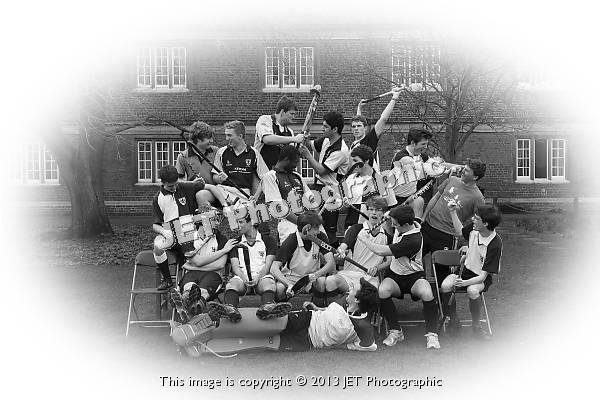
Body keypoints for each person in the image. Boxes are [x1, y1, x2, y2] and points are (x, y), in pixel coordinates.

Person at [171, 277, 380, 355]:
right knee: (254, 326)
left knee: (254, 341)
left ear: (358, 300)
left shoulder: (362, 326)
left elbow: (369, 346)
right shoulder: (348, 307)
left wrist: (344, 345)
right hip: (306, 325)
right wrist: (318, 309)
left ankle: (199, 343)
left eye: (354, 290)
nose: (349, 289)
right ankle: (195, 328)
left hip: (306, 338)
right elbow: (337, 316)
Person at [357, 205, 441, 350]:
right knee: (382, 291)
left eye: (395, 224)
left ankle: (432, 334)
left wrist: (364, 240)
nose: (393, 226)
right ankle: (395, 330)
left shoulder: (413, 240)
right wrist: (390, 214)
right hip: (395, 275)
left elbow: (381, 251)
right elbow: (395, 218)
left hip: (414, 276)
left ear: (406, 225)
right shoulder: (405, 224)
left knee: (427, 293)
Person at [205, 214, 292, 322]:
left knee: (269, 284)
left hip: (262, 276)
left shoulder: (269, 241)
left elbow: (268, 265)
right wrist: (244, 278)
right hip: (242, 277)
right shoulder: (235, 243)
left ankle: (268, 308)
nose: (237, 226)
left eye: (240, 222)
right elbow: (235, 266)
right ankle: (230, 309)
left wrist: (257, 278)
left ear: (252, 222)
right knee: (231, 284)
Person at [311, 196, 392, 306]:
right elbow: (343, 246)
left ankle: (352, 313)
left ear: (383, 213)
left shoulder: (387, 236)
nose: (374, 213)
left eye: (378, 210)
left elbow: (389, 261)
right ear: (367, 211)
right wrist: (340, 251)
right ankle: (331, 313)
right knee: (329, 281)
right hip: (348, 275)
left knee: (361, 290)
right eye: (371, 209)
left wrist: (377, 268)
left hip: (369, 278)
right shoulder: (356, 229)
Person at [440, 204, 502, 339]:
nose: (473, 219)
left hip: (481, 276)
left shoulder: (495, 244)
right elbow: (460, 232)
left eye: (476, 218)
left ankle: (476, 327)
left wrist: (464, 283)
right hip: (465, 271)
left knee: (472, 290)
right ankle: (454, 321)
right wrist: (452, 211)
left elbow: (483, 277)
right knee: (445, 286)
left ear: (485, 224)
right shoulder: (475, 229)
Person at [421, 158, 486, 285]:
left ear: (475, 177)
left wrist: (469, 239)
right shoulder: (452, 180)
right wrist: (423, 217)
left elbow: (480, 221)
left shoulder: (477, 197)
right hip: (428, 227)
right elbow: (436, 197)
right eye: (464, 168)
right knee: (413, 260)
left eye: (466, 170)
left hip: (446, 235)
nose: (462, 171)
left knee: (442, 275)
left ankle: (442, 297)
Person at [168, 223, 239, 323]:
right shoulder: (188, 238)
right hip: (192, 274)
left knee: (202, 292)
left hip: (213, 274)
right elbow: (198, 261)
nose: (216, 223)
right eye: (212, 220)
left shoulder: (221, 239)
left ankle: (187, 308)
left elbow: (220, 264)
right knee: (189, 288)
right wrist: (223, 251)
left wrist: (193, 266)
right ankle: (188, 304)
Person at [151, 165, 206, 290]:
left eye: (176, 184)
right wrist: (163, 231)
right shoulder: (157, 198)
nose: (175, 188)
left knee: (189, 259)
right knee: (157, 246)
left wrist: (191, 182)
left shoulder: (183, 187)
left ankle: (186, 288)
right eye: (171, 186)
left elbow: (201, 184)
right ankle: (167, 280)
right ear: (163, 182)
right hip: (170, 234)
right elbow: (155, 225)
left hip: (188, 233)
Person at [298, 111, 349, 243]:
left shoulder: (340, 150)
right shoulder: (326, 140)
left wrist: (308, 155)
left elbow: (321, 171)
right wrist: (304, 137)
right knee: (315, 225)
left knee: (329, 229)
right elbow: (311, 145)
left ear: (335, 129)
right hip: (319, 188)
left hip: (332, 193)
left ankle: (331, 252)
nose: (322, 128)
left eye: (325, 126)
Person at [196, 120, 268, 207]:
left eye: (229, 135)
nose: (227, 139)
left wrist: (256, 196)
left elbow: (265, 177)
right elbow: (215, 177)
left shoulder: (254, 153)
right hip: (222, 191)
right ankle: (211, 214)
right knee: (201, 195)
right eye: (226, 135)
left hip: (243, 194)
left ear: (240, 136)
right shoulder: (222, 152)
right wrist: (220, 178)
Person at [269, 213, 336, 302]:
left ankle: (316, 307)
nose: (318, 231)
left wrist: (316, 275)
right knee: (279, 288)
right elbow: (274, 268)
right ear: (306, 229)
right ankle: (282, 308)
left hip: (312, 276)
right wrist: (288, 284)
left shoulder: (320, 237)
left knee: (321, 282)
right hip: (292, 278)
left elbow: (331, 263)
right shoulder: (291, 240)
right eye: (316, 228)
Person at [262, 145, 315, 243]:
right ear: (286, 159)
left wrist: (315, 219)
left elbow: (311, 199)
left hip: (309, 223)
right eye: (295, 162)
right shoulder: (270, 176)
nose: (296, 166)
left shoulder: (297, 176)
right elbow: (278, 208)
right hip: (288, 225)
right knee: (292, 252)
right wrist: (301, 223)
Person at [342, 145, 396, 228]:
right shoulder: (350, 179)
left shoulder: (381, 181)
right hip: (351, 226)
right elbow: (345, 205)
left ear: (366, 160)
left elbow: (391, 207)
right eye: (351, 161)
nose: (352, 164)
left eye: (355, 161)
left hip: (373, 229)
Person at [353, 86, 402, 171]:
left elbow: (383, 119)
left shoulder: (369, 141)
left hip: (371, 178)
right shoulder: (355, 143)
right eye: (354, 127)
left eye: (359, 126)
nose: (356, 129)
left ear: (365, 128)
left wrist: (394, 98)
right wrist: (359, 108)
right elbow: (358, 122)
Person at [390, 128, 433, 218]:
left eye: (426, 144)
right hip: (395, 199)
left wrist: (457, 167)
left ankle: (417, 224)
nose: (425, 147)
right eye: (423, 144)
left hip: (410, 198)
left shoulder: (422, 156)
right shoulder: (401, 157)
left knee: (418, 202)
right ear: (413, 143)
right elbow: (413, 165)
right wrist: (436, 170)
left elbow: (437, 164)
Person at [254, 96, 305, 170]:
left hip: (278, 174)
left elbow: (289, 158)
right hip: (261, 172)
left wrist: (298, 151)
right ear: (282, 112)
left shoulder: (290, 132)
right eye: (291, 114)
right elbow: (267, 139)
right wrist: (294, 139)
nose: (293, 117)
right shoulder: (265, 120)